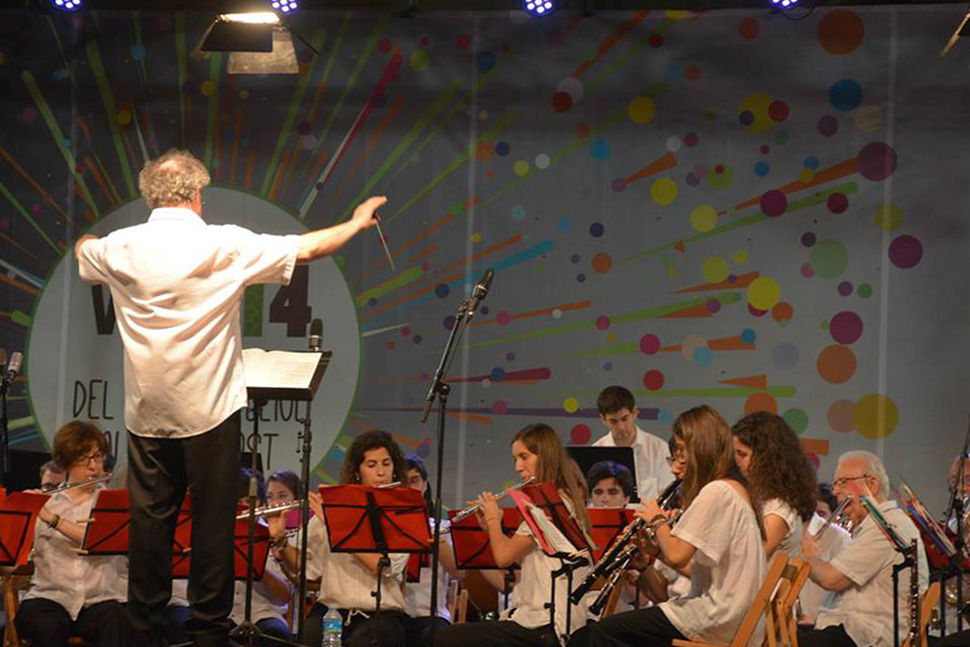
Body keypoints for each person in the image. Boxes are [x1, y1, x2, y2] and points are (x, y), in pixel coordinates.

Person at [74, 148, 385, 647]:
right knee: (214, 525)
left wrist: (89, 238)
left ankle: (144, 632)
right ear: (198, 196)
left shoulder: (119, 248)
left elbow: (83, 250)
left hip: (147, 414)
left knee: (150, 527)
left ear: (149, 194)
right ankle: (208, 633)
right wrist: (355, 222)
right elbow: (306, 249)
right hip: (210, 409)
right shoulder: (222, 245)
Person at [572, 405, 766, 647]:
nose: (677, 465)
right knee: (599, 633)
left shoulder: (717, 490)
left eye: (682, 452)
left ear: (700, 449)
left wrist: (657, 518)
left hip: (718, 615)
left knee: (601, 633)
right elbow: (699, 568)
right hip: (732, 614)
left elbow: (677, 555)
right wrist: (654, 552)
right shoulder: (733, 488)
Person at [435, 423, 592, 647]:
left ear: (545, 456)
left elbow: (503, 558)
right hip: (538, 617)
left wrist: (492, 519)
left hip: (547, 622)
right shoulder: (560, 499)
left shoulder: (546, 506)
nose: (518, 467)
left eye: (524, 457)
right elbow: (520, 560)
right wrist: (491, 528)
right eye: (515, 459)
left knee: (445, 638)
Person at [274, 429, 410, 647]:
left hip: (380, 613)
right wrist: (280, 541)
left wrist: (336, 527)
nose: (381, 472)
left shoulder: (402, 514)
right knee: (306, 637)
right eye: (372, 465)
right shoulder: (333, 510)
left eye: (386, 463)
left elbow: (382, 567)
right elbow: (303, 566)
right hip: (331, 611)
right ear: (358, 472)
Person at [15, 420, 128, 647]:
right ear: (65, 463)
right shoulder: (47, 503)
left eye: (97, 457)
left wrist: (52, 519)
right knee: (44, 626)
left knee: (118, 621)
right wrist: (17, 516)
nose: (94, 467)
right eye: (83, 459)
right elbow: (11, 565)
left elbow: (92, 539)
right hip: (50, 598)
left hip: (100, 601)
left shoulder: (112, 503)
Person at [799, 450, 929, 647]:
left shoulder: (887, 524)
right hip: (849, 630)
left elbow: (831, 579)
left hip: (863, 636)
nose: (835, 492)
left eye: (843, 482)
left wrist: (808, 556)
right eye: (835, 484)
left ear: (872, 484)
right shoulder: (873, 525)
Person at [732, 412, 817, 559]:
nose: (735, 461)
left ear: (766, 460)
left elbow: (748, 562)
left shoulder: (779, 510)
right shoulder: (755, 497)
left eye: (742, 454)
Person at [402, 454, 462, 647]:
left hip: (431, 615)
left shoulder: (440, 527)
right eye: (404, 482)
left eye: (414, 481)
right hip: (394, 614)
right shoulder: (385, 527)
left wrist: (434, 539)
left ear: (424, 485)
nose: (410, 488)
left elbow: (458, 572)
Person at [231, 468, 295, 641]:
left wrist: (256, 567)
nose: (244, 507)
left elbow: (283, 597)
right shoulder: (215, 534)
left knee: (277, 637)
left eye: (248, 501)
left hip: (264, 613)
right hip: (224, 613)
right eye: (237, 502)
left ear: (259, 503)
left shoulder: (272, 534)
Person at [592, 386, 673, 501]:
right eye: (613, 421)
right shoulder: (596, 452)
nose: (621, 427)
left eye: (625, 419)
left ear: (634, 412)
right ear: (603, 419)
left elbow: (667, 496)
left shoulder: (659, 448)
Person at [265, 469, 304, 586]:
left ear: (296, 498)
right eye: (270, 497)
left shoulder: (304, 531)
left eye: (282, 496)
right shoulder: (261, 529)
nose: (275, 503)